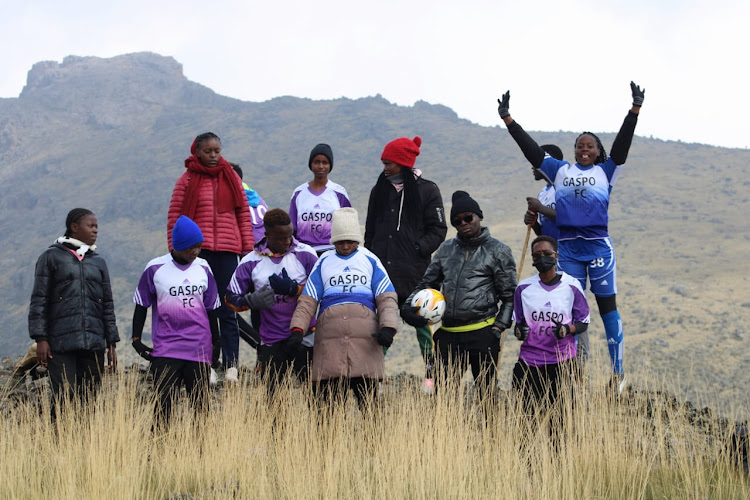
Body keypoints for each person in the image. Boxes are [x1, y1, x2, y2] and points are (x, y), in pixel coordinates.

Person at [498, 82, 644, 393]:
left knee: (607, 309)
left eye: (590, 146)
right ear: (575, 149)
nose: (585, 149)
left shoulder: (607, 171)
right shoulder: (560, 171)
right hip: (569, 250)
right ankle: (570, 372)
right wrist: (509, 120)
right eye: (580, 145)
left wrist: (634, 110)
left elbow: (622, 147)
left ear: (597, 151)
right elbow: (533, 151)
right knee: (569, 313)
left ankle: (618, 374)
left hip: (598, 248)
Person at [402, 191, 516, 402]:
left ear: (479, 216)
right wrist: (408, 308)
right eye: (456, 221)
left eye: (468, 218)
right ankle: (447, 435)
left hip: (482, 332)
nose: (463, 223)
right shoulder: (446, 250)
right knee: (442, 398)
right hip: (447, 335)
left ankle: (491, 434)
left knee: (486, 395)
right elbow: (427, 283)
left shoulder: (498, 250)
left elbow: (510, 295)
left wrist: (498, 328)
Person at [290, 207, 399, 410]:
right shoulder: (323, 262)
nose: (346, 246)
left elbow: (386, 298)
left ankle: (375, 442)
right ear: (333, 241)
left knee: (371, 406)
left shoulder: (370, 260)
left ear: (357, 239)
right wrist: (297, 329)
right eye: (340, 241)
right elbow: (308, 301)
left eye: (350, 241)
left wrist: (388, 328)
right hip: (329, 346)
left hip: (365, 344)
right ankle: (329, 442)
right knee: (328, 409)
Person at [167, 132, 254, 383]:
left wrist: (246, 250)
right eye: (208, 151)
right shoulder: (186, 180)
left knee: (228, 308)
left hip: (227, 251)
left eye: (217, 150)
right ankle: (206, 363)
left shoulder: (231, 179)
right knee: (202, 311)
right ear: (197, 152)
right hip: (198, 252)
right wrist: (175, 250)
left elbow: (243, 216)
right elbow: (176, 217)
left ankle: (231, 366)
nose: (214, 155)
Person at [364, 136, 447, 393]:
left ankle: (432, 380)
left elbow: (438, 229)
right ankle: (373, 378)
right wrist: (370, 256)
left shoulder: (427, 190)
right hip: (383, 274)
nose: (385, 167)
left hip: (415, 274)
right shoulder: (379, 190)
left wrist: (418, 249)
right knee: (383, 325)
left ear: (403, 163)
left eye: (389, 163)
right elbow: (370, 229)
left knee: (423, 326)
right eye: (384, 162)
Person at [28, 208, 119, 417]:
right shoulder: (50, 257)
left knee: (89, 398)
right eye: (91, 226)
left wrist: (111, 342)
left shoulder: (98, 262)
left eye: (96, 226)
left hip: (93, 342)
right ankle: (58, 443)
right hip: (60, 343)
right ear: (74, 227)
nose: (95, 230)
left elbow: (107, 304)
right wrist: (40, 337)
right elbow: (39, 300)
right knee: (63, 397)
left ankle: (82, 446)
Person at [131, 215, 220, 425]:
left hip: (198, 348)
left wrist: (217, 342)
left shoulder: (204, 267)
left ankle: (200, 453)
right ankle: (161, 450)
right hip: (167, 348)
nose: (196, 252)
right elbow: (141, 304)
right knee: (163, 407)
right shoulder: (155, 268)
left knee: (201, 408)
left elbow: (212, 308)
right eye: (191, 247)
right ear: (178, 246)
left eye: (199, 246)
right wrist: (136, 339)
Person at [226, 208, 318, 395]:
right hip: (271, 341)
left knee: (316, 395)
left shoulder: (306, 254)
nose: (287, 241)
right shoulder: (250, 262)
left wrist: (295, 289)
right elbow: (230, 299)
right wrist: (250, 301)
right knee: (274, 400)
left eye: (290, 236)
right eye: (281, 238)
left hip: (305, 336)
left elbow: (322, 290)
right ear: (267, 235)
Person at [512, 236, 590, 438]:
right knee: (526, 423)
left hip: (562, 363)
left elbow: (584, 322)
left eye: (547, 254)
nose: (542, 258)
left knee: (561, 424)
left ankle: (558, 465)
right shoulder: (523, 288)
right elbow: (518, 324)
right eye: (537, 255)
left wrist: (567, 329)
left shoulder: (571, 286)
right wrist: (520, 332)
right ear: (532, 259)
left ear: (556, 256)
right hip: (529, 363)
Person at [289, 143, 352, 255]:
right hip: (303, 251)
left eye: (325, 162)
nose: (321, 166)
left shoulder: (339, 192)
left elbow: (348, 226)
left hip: (331, 250)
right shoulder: (299, 193)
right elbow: (292, 227)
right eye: (316, 162)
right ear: (311, 164)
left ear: (330, 165)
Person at [230, 162, 267, 350]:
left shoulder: (233, 201)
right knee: (258, 309)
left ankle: (260, 345)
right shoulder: (257, 198)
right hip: (267, 259)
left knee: (225, 306)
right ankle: (264, 352)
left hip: (247, 260)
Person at [523, 144, 563, 240]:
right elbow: (545, 234)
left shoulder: (567, 187)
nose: (532, 167)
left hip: (570, 251)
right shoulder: (542, 193)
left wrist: (540, 208)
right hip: (553, 252)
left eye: (535, 162)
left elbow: (571, 219)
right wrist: (534, 224)